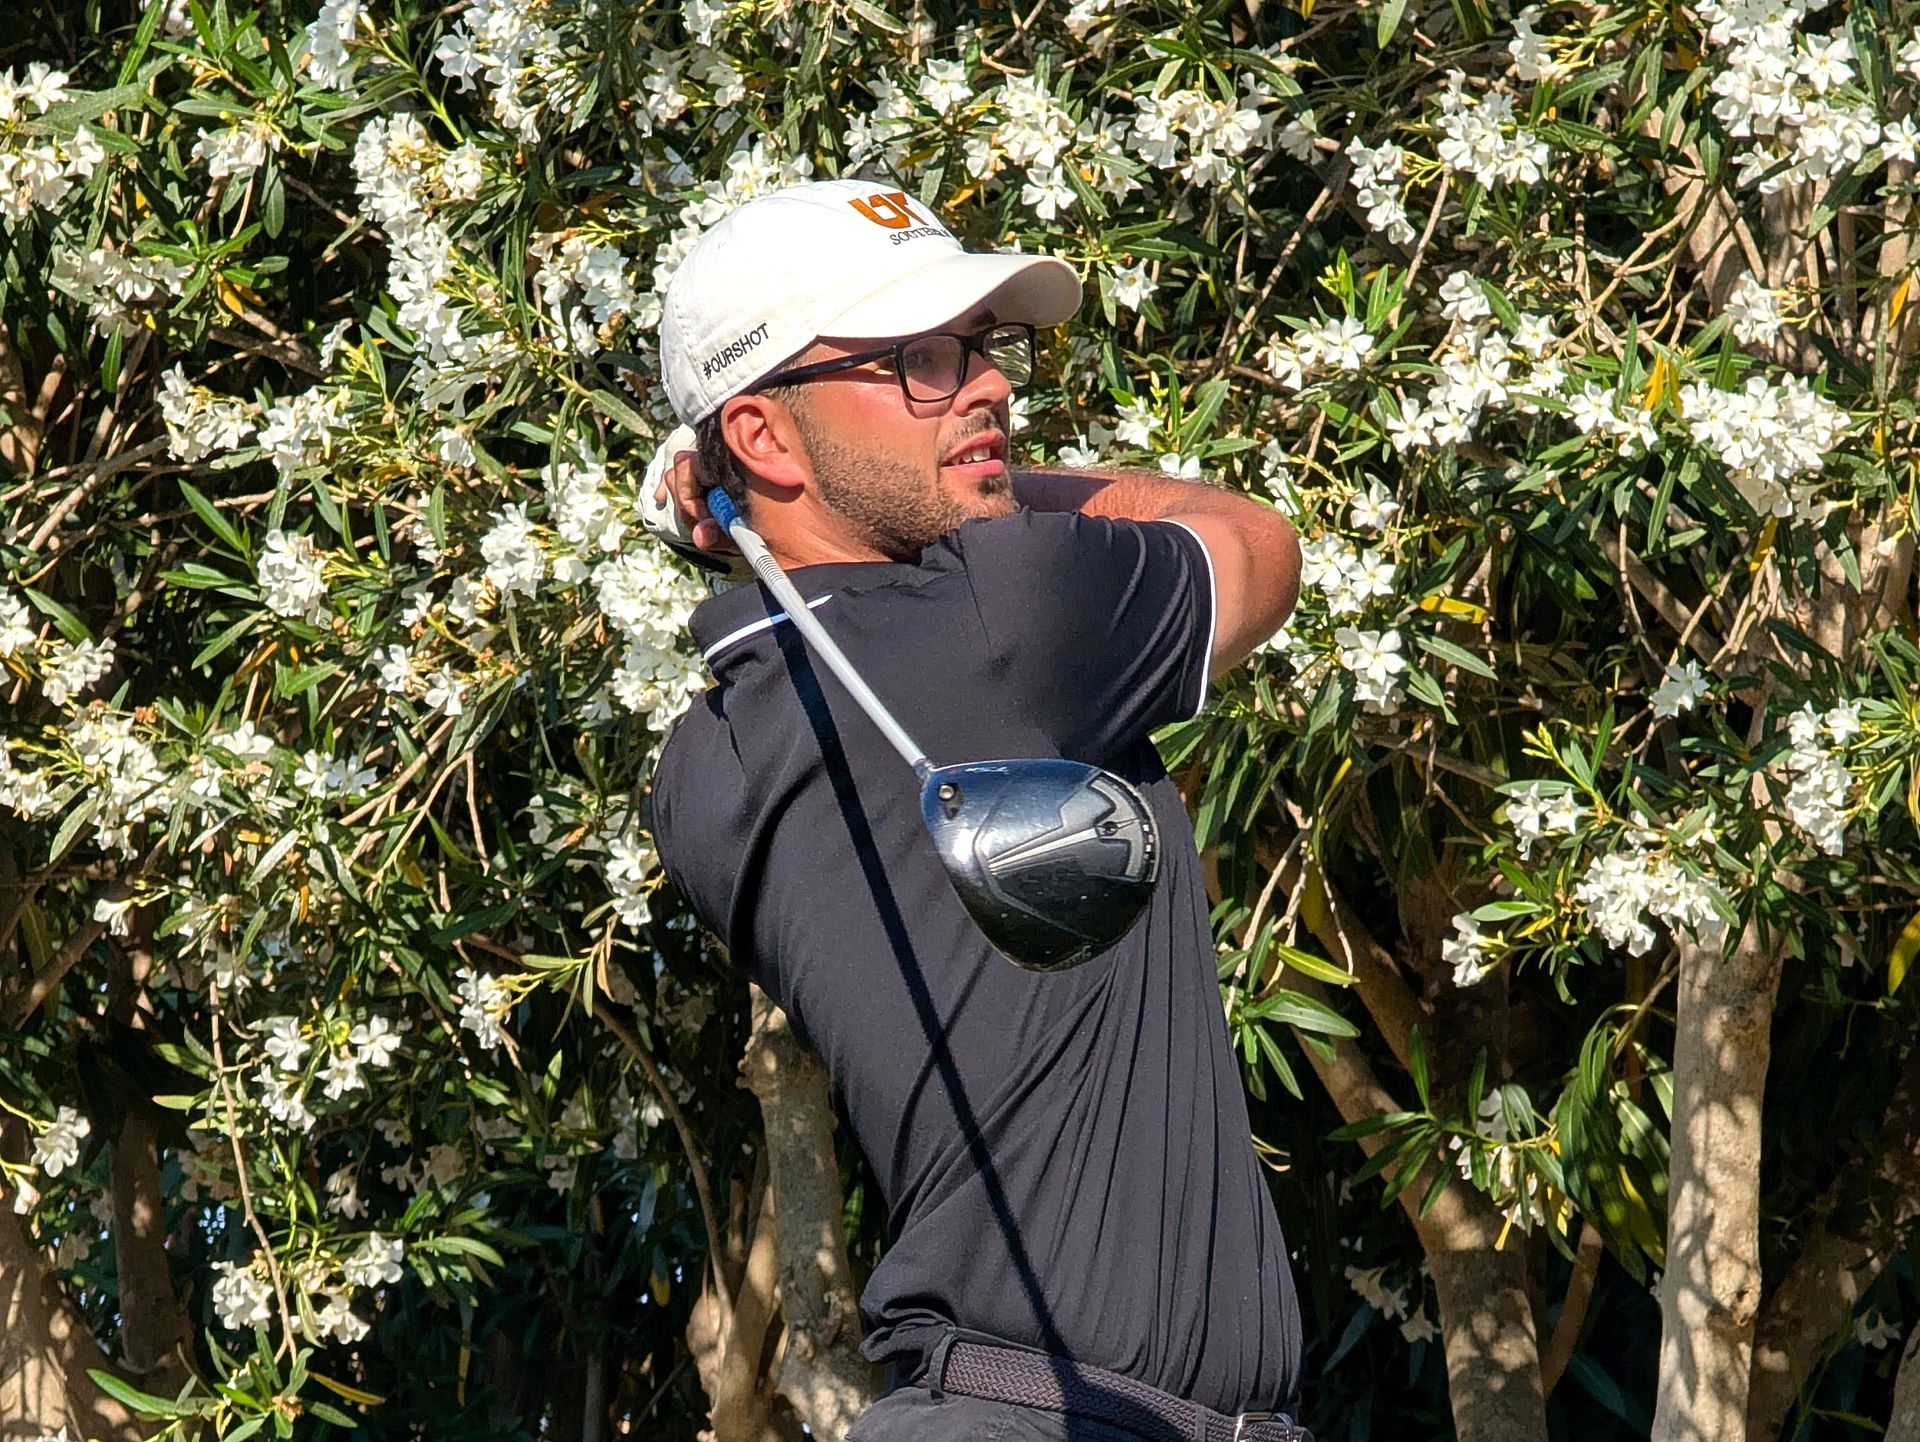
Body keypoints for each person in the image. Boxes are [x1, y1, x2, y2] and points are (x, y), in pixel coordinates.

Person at [645, 179, 1307, 1442]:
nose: (988, 386)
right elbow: (1254, 541)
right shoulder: (1008, 614)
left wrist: (737, 496)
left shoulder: (701, 770)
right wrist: (1004, 483)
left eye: (982, 349)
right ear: (766, 434)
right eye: (919, 361)